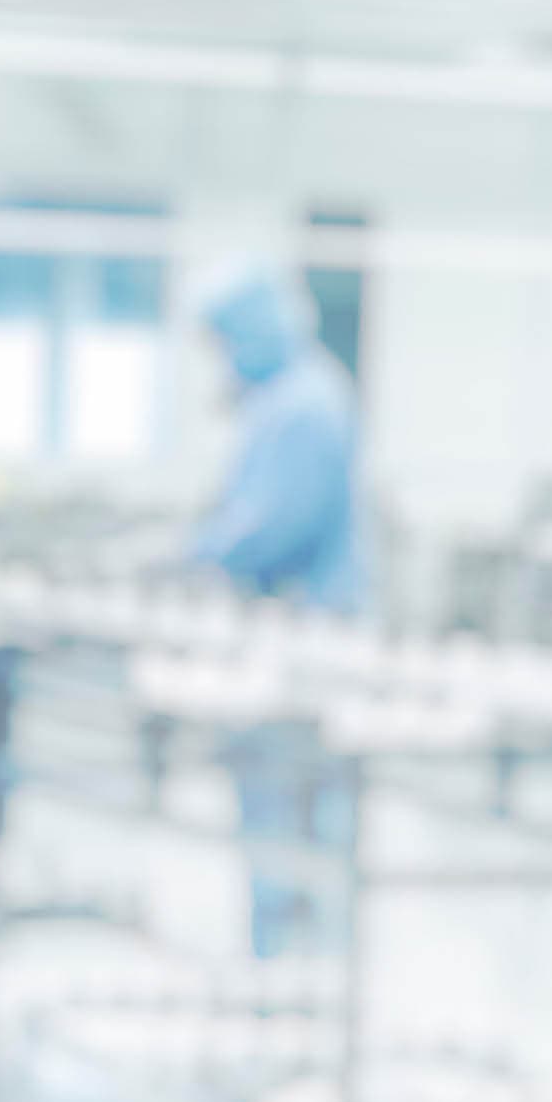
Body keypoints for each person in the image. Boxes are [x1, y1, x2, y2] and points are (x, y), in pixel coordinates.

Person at [188, 260, 363, 958]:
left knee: (295, 812)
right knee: (277, 805)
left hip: (307, 638)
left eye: (229, 342)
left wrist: (191, 555)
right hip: (286, 634)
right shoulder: (284, 402)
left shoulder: (305, 406)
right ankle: (283, 953)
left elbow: (270, 527)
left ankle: (302, 962)